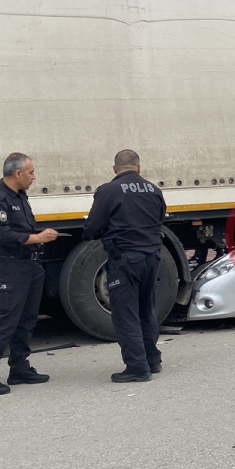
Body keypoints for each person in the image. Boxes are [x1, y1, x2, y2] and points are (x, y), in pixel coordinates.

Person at [0, 153, 59, 395]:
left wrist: (39, 238)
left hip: (29, 266)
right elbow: (3, 235)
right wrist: (38, 237)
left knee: (27, 320)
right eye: (31, 172)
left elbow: (22, 229)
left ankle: (19, 368)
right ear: (17, 173)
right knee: (5, 321)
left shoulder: (20, 196)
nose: (34, 176)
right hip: (8, 267)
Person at [83, 150, 167, 382]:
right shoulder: (154, 190)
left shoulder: (108, 191)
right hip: (152, 257)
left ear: (115, 169)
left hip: (125, 259)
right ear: (139, 168)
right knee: (145, 310)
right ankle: (153, 360)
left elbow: (92, 228)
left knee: (125, 314)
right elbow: (160, 219)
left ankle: (137, 367)